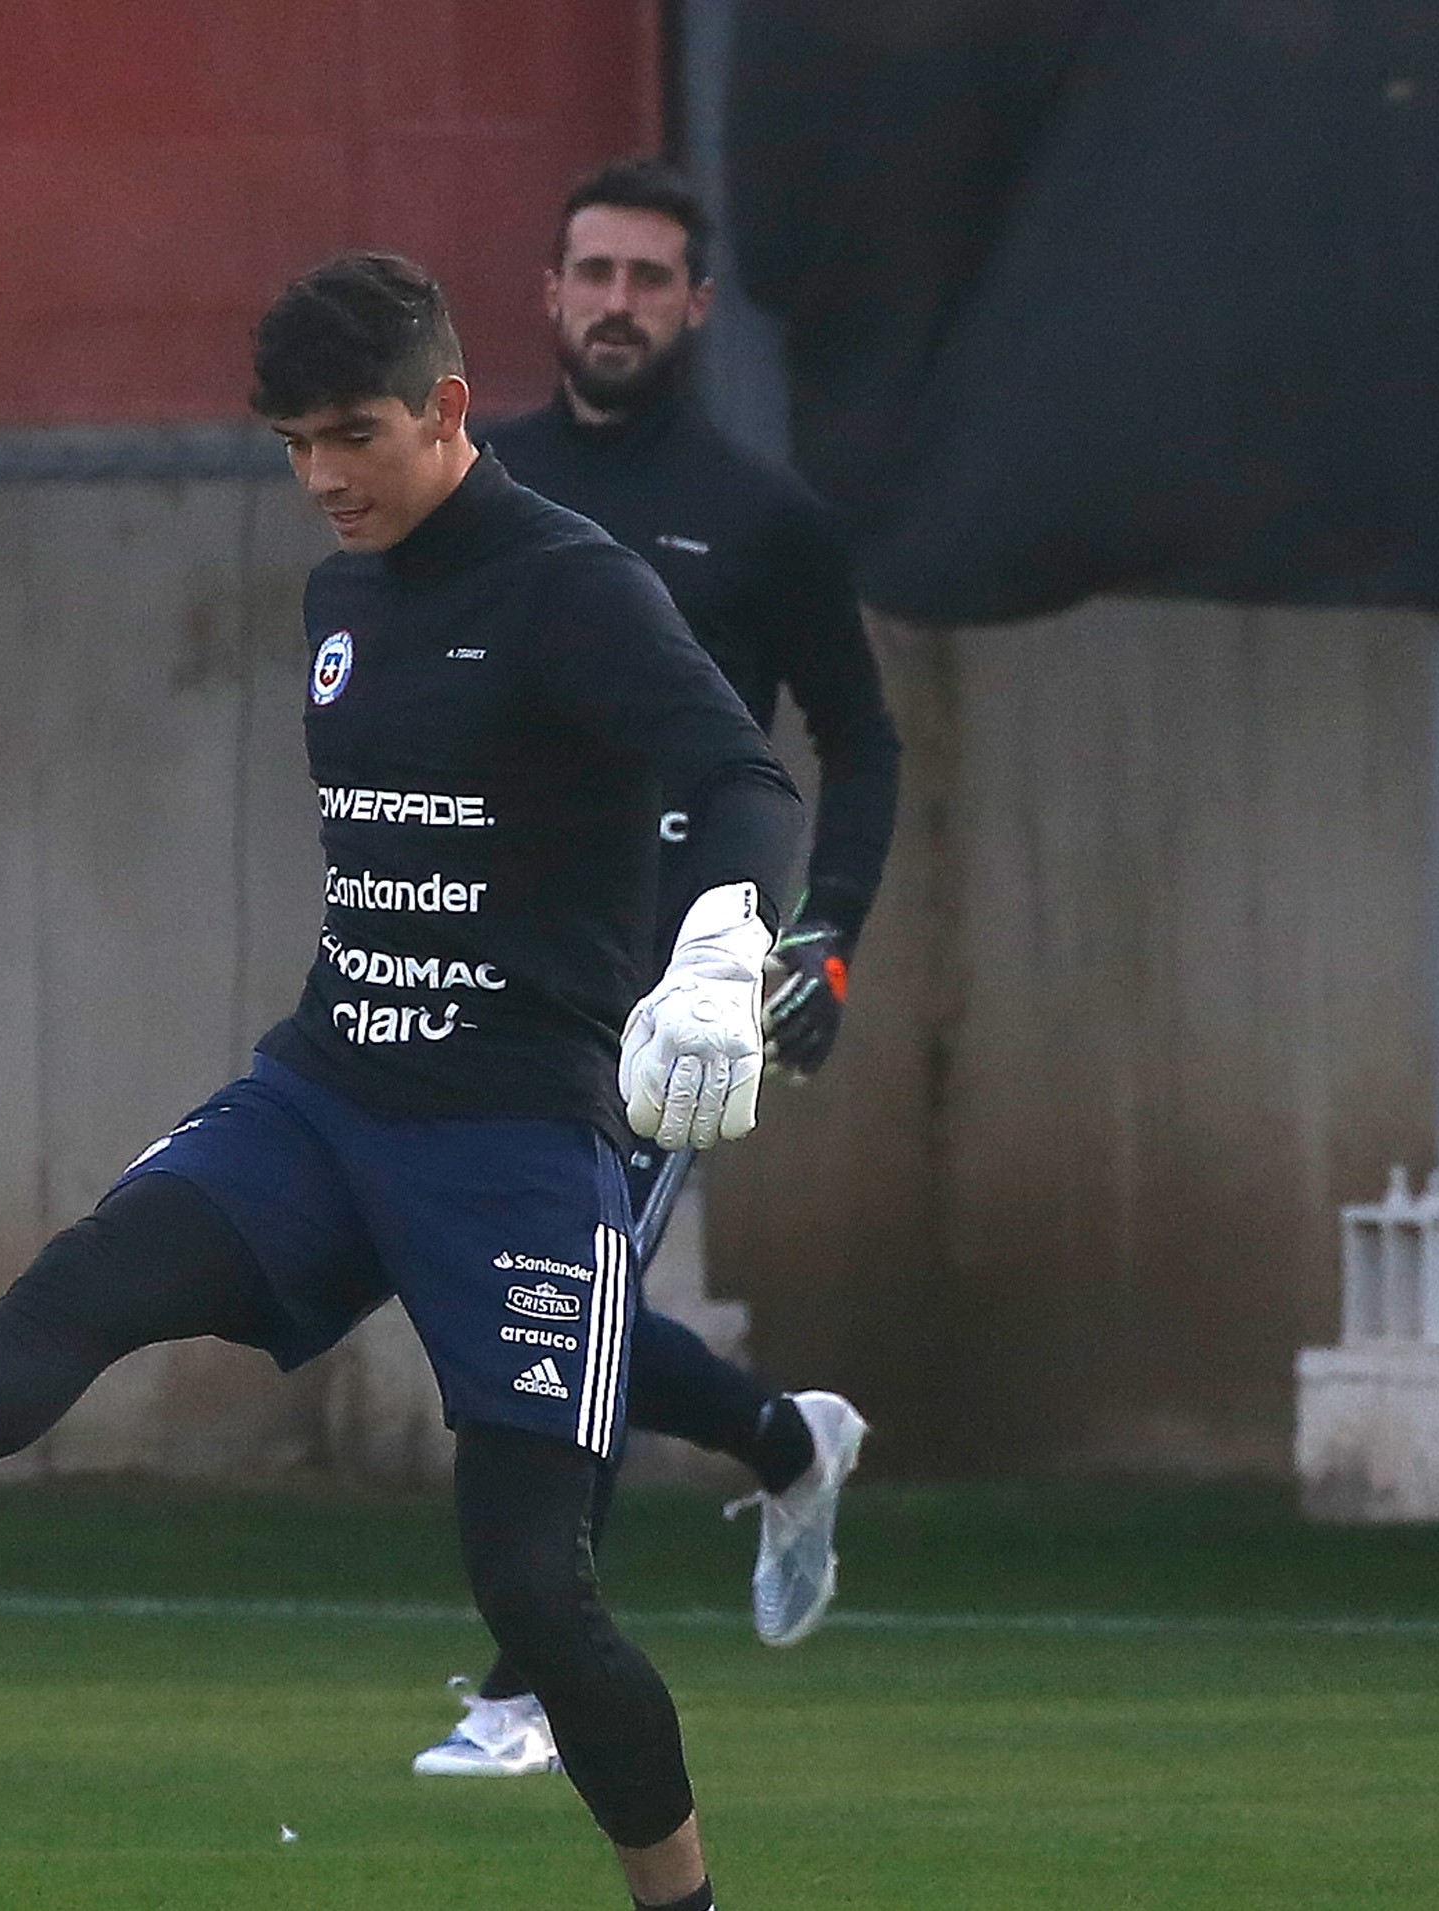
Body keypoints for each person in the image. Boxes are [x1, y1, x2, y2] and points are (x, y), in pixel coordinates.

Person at [0, 251, 803, 1911]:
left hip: (511, 1137)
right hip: (331, 1088)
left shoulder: (574, 588)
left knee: (536, 1600)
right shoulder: (340, 594)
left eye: (352, 434)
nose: (323, 479)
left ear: (442, 409)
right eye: (290, 443)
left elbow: (745, 778)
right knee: (97, 1275)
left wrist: (723, 944)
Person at [411, 158, 904, 1781]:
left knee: (571, 1294)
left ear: (695, 306)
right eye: (592, 273)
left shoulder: (763, 519)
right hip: (492, 959)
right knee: (539, 1293)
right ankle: (783, 1440)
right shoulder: (477, 486)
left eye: (650, 278)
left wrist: (818, 933)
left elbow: (861, 739)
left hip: (681, 978)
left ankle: (531, 1678)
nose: (617, 302)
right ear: (547, 298)